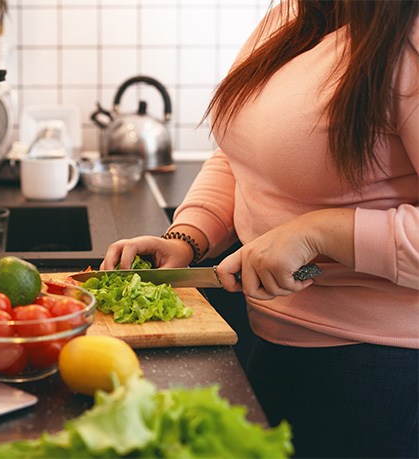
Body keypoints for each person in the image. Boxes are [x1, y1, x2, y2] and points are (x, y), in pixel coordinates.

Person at [101, 0, 419, 457]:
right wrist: (188, 237)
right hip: (268, 338)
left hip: (379, 368)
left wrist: (321, 232)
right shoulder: (293, 14)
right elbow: (242, 156)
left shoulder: (406, 35)